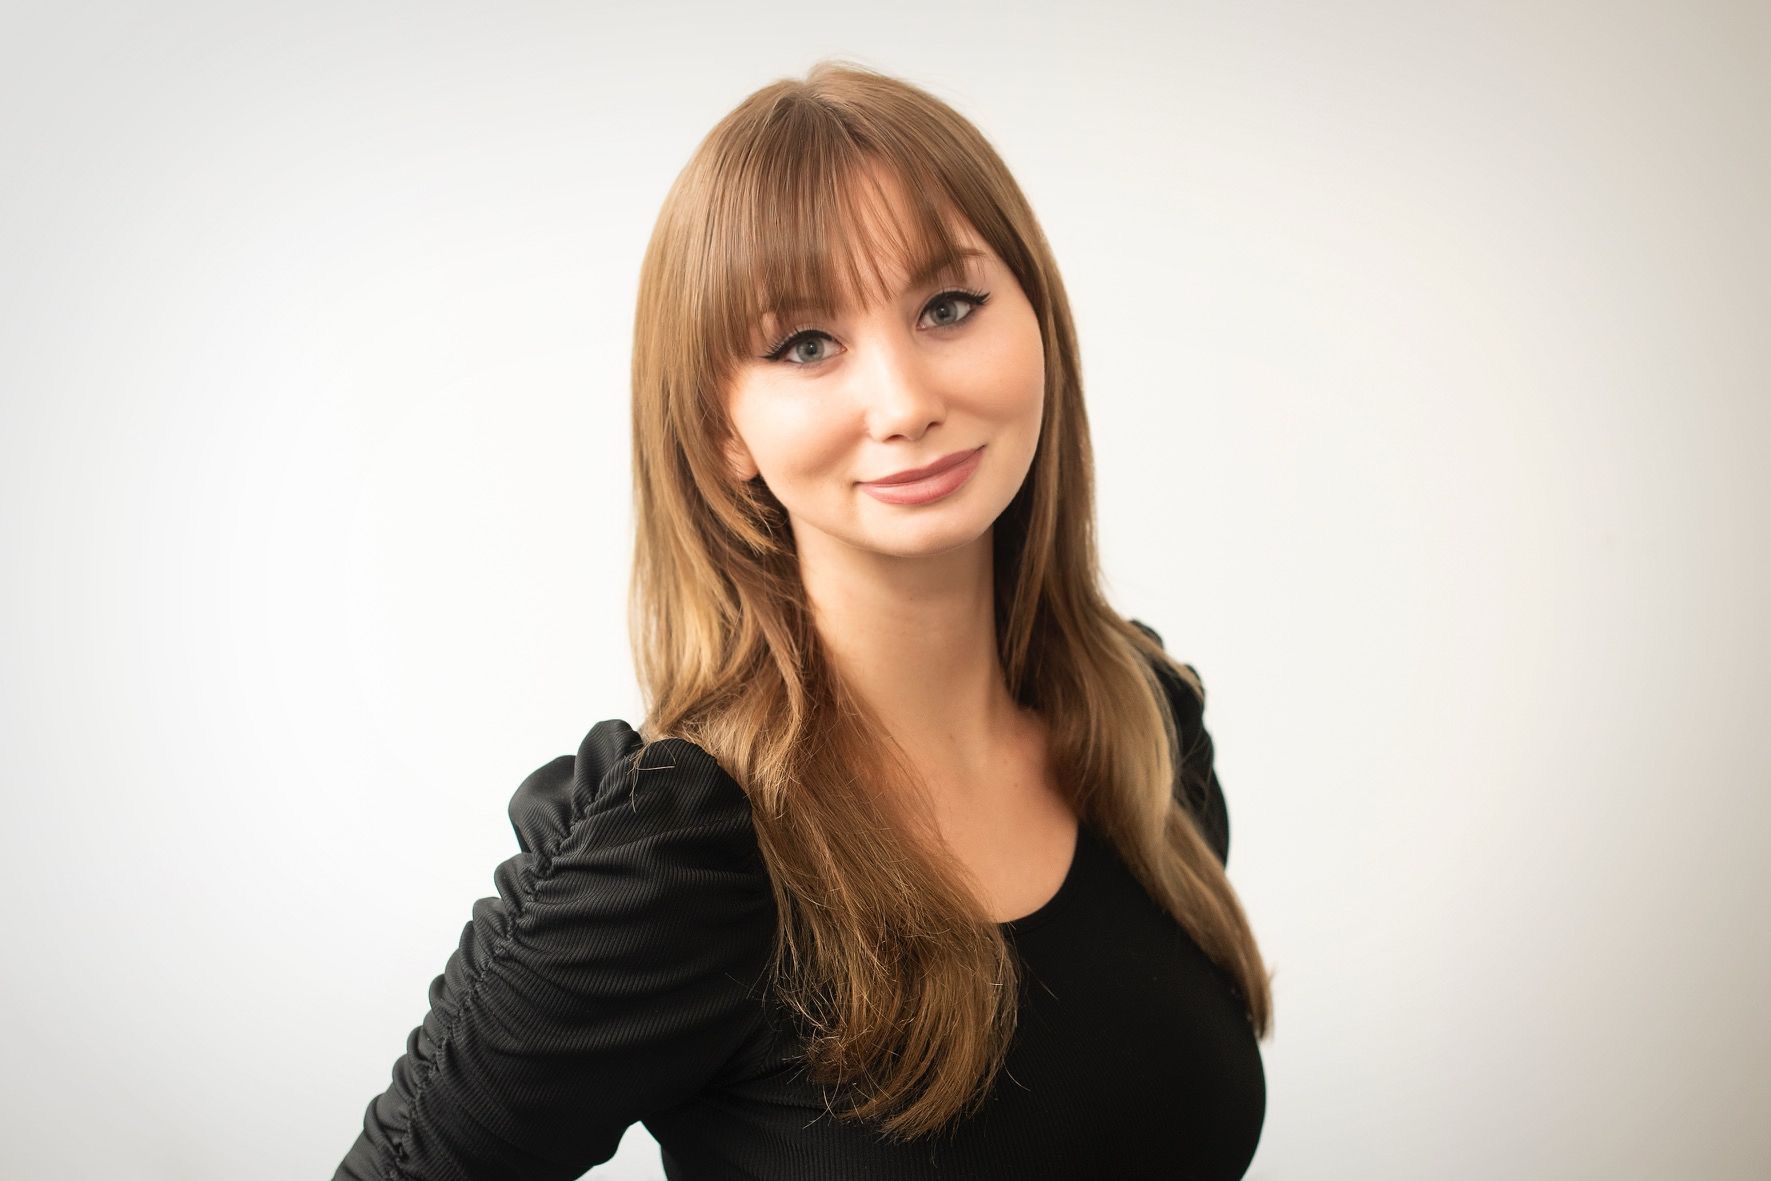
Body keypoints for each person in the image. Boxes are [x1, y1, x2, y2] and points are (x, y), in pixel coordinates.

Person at [335, 59, 1274, 1181]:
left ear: (1039, 323)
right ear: (723, 430)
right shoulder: (686, 856)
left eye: (948, 306)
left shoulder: (1138, 725)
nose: (904, 399)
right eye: (805, 345)